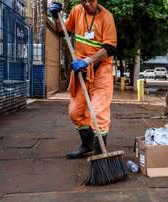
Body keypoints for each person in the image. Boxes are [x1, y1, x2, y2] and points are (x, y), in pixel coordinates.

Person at [48, 0, 117, 159]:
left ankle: (100, 157)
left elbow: (110, 48)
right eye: (83, 0)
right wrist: (56, 17)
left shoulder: (107, 17)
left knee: (99, 114)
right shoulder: (77, 11)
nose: (87, 4)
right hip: (81, 72)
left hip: (101, 72)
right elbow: (61, 31)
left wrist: (88, 61)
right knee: (75, 113)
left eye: (90, 0)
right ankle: (87, 146)